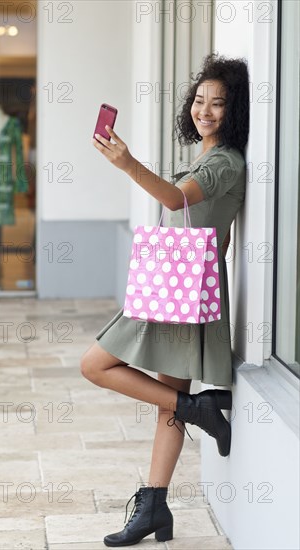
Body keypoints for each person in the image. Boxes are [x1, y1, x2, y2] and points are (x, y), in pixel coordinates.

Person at [81, 53, 249, 547]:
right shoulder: (206, 155)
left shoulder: (223, 163)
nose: (205, 110)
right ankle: (155, 505)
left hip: (178, 292)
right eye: (199, 100)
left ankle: (195, 409)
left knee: (94, 365)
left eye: (218, 104)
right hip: (175, 290)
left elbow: (177, 200)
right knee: (165, 406)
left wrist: (128, 163)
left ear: (234, 111)